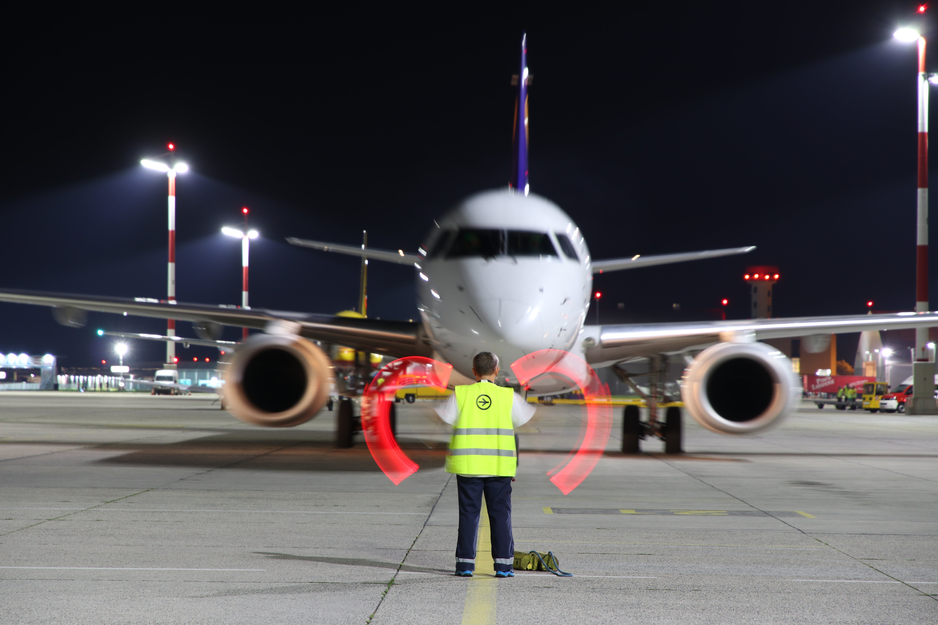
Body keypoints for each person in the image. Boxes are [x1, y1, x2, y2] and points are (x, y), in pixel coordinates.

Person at [435, 351, 536, 578]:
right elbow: (526, 421)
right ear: (497, 370)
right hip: (499, 468)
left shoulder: (461, 394)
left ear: (473, 371)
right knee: (500, 515)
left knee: (469, 515)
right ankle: (503, 566)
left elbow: (442, 418)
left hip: (468, 467)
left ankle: (464, 566)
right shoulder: (508, 397)